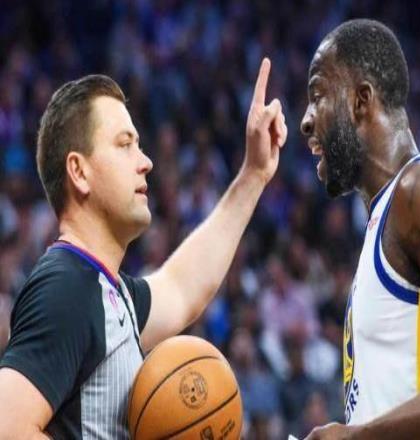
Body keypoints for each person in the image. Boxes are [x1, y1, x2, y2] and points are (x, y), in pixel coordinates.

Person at [0, 58, 287, 438]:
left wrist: (253, 174)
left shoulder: (105, 289)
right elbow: (8, 427)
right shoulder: (66, 288)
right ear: (79, 172)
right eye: (125, 145)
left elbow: (183, 288)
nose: (146, 162)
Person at [300, 19, 420, 439]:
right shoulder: (385, 218)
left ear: (361, 100)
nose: (306, 120)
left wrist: (359, 438)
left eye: (317, 96)